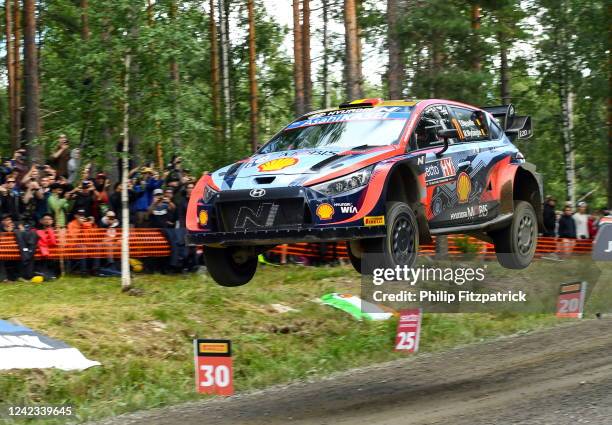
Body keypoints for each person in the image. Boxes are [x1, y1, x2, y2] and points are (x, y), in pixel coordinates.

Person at [35, 213, 59, 279]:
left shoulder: (56, 230)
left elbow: (54, 243)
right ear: (41, 221)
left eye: (49, 219)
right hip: (43, 252)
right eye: (45, 219)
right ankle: (45, 274)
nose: (47, 220)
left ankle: (51, 274)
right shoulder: (38, 231)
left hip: (54, 252)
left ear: (52, 221)